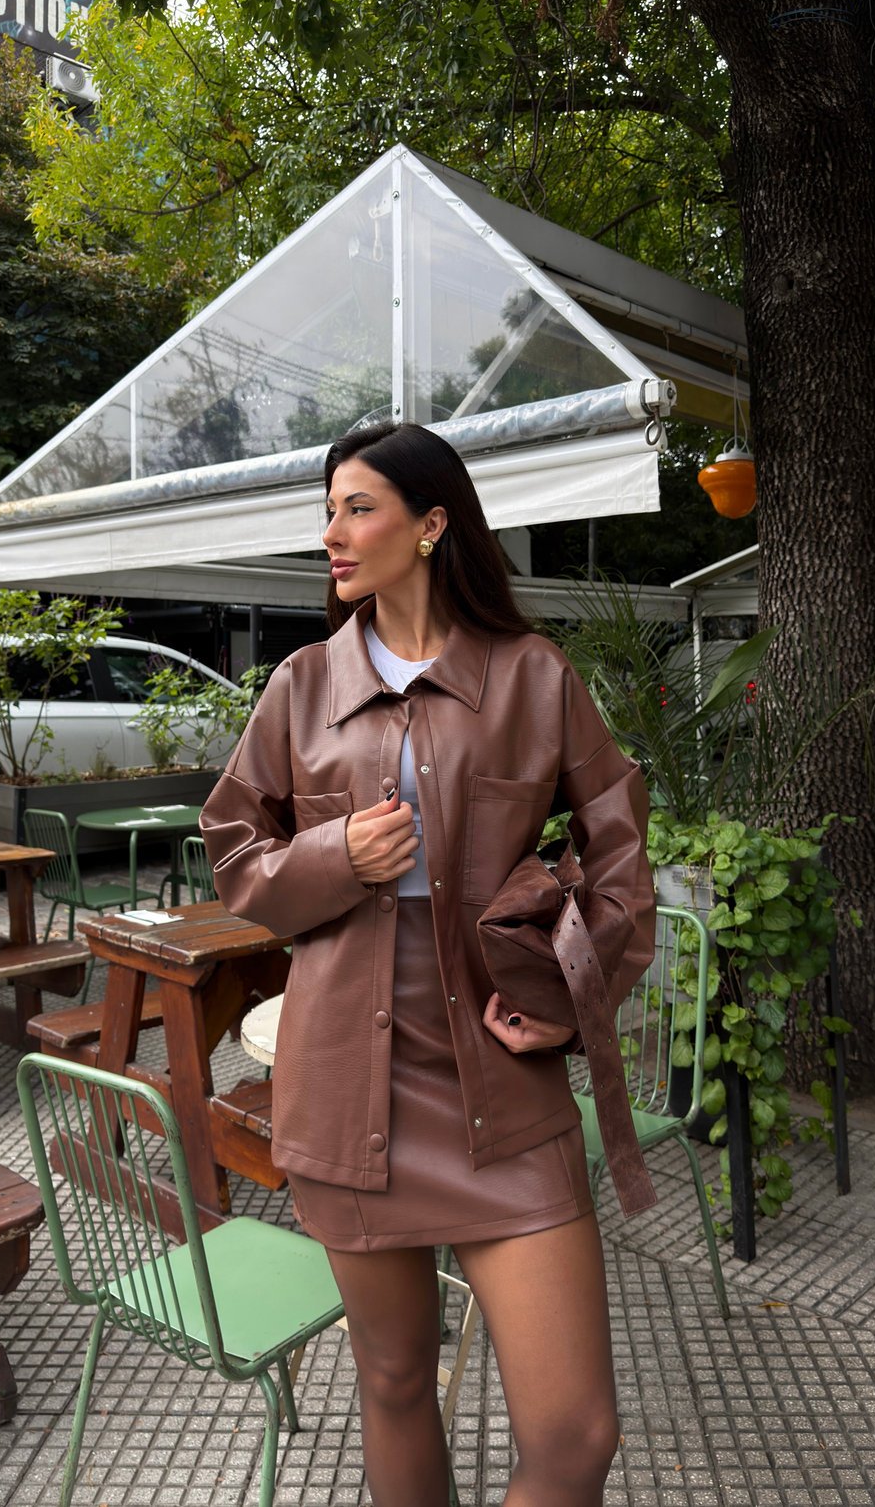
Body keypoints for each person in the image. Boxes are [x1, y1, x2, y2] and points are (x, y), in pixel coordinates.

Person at [199, 420, 656, 1507]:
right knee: (395, 1379)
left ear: (432, 524)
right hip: (344, 1086)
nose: (332, 533)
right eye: (327, 511)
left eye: (357, 509)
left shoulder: (534, 676)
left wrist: (571, 1000)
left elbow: (620, 845)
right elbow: (234, 855)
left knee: (577, 1437)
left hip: (501, 1083)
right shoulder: (301, 686)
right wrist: (335, 857)